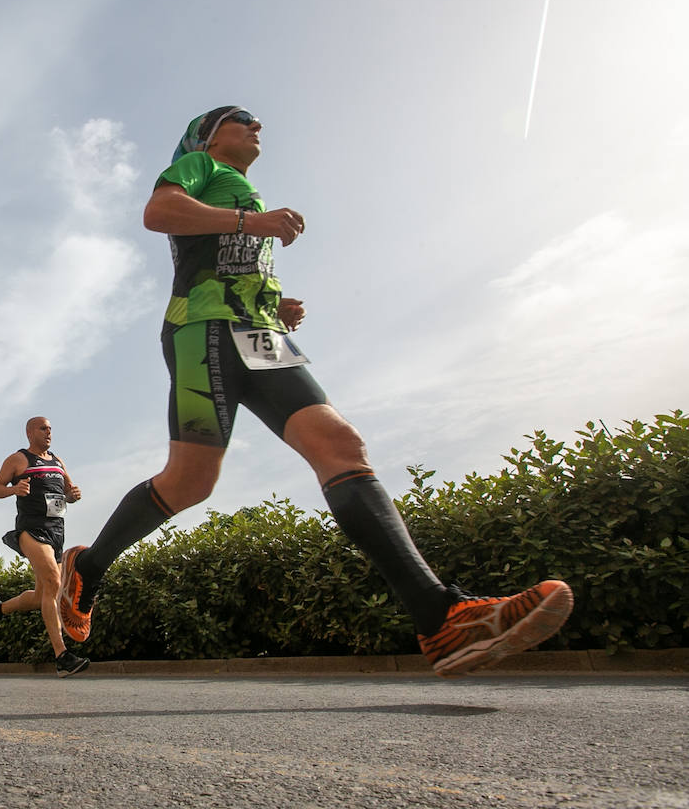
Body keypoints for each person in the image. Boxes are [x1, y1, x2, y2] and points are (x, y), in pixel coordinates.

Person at [58, 105, 573, 677]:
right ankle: (90, 566)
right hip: (200, 331)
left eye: (257, 123)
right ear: (207, 136)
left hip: (260, 334)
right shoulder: (200, 167)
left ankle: (442, 618)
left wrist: (275, 303)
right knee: (190, 481)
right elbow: (158, 213)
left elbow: (230, 268)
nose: (257, 127)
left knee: (340, 444)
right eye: (241, 119)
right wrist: (250, 224)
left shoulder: (244, 193)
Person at [0, 417, 89, 677]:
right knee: (54, 582)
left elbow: (67, 493)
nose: (49, 432)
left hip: (57, 532)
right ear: (30, 432)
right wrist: (14, 489)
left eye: (51, 428)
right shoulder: (18, 460)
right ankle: (62, 656)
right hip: (31, 530)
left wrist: (72, 496)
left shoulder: (57, 461)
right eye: (43, 428)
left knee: (42, 594)